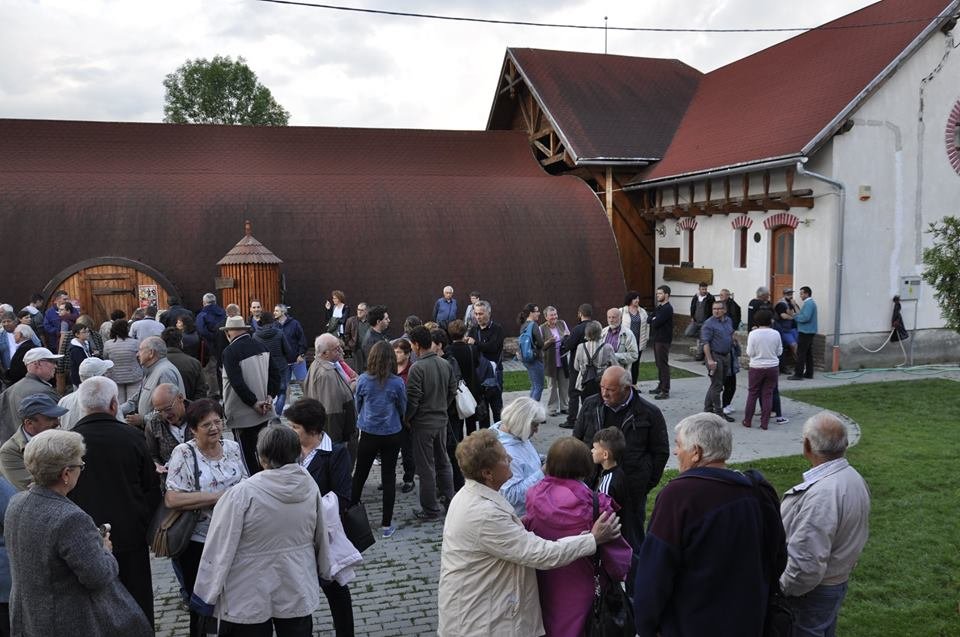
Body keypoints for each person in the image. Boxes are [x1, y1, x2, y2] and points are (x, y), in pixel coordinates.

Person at [437, 429, 622, 636]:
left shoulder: (471, 496)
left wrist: (531, 522)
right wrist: (592, 539)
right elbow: (540, 554)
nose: (509, 457)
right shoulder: (484, 514)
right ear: (487, 474)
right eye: (502, 457)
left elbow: (505, 534)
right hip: (481, 622)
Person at [633, 412, 787, 636]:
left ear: (696, 453)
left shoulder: (678, 497)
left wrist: (644, 626)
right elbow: (778, 558)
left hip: (692, 624)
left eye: (678, 445)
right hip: (748, 621)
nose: (676, 451)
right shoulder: (755, 491)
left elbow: (655, 574)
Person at [4, 429, 153, 636]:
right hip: (65, 621)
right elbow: (98, 576)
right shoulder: (70, 518)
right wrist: (105, 550)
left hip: (28, 616)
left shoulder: (16, 502)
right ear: (66, 474)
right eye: (80, 465)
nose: (82, 469)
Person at [192, 425, 329, 636]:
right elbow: (321, 535)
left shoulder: (240, 495)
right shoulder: (309, 486)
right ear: (297, 453)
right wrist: (323, 572)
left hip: (248, 592)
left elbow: (219, 549)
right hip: (296, 583)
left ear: (261, 457)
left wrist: (205, 596)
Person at [69, 376, 161, 627]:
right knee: (137, 599)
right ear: (113, 405)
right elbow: (151, 488)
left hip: (84, 537)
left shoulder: (70, 441)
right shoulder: (131, 437)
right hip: (130, 533)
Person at [573, 365, 669, 594]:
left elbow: (660, 452)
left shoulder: (648, 413)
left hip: (630, 494)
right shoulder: (591, 404)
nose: (604, 394)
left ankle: (638, 596)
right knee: (594, 543)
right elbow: (577, 441)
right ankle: (600, 592)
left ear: (627, 388)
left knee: (632, 544)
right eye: (602, 387)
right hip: (592, 491)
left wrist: (644, 484)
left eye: (611, 390)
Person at [524, 437, 632, 637]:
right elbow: (618, 557)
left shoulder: (533, 496)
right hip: (585, 584)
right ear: (585, 465)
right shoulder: (597, 504)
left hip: (545, 581)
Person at [781, 412, 871, 636]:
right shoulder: (851, 477)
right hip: (833, 581)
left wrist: (781, 588)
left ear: (807, 446)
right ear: (846, 444)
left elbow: (806, 564)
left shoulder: (822, 495)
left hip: (813, 591)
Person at [165, 399, 248, 637]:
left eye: (217, 422)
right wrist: (218, 498)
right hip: (199, 543)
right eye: (205, 424)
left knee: (236, 599)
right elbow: (172, 499)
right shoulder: (184, 453)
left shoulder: (231, 446)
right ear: (193, 429)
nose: (214, 428)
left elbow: (245, 482)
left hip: (235, 537)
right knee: (202, 606)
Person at [285, 399, 355, 635]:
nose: (291, 431)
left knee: (336, 591)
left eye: (295, 427)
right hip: (296, 537)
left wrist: (306, 509)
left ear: (312, 429)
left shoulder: (335, 453)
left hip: (325, 537)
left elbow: (343, 497)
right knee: (300, 596)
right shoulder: (290, 453)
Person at [351, 340, 407, 537]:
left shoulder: (364, 380)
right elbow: (403, 407)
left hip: (368, 432)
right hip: (391, 433)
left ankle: (349, 516)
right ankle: (386, 525)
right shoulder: (397, 382)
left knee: (360, 474)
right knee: (389, 477)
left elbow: (358, 404)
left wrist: (365, 417)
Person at [405, 326, 458, 521]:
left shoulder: (417, 368)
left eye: (411, 344)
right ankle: (450, 502)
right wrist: (443, 405)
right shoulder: (444, 364)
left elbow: (413, 400)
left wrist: (407, 418)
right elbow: (454, 390)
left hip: (423, 424)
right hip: (441, 421)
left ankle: (431, 510)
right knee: (443, 462)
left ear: (417, 344)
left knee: (426, 467)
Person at [221, 315, 278, 474]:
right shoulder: (261, 346)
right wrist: (269, 396)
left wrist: (253, 402)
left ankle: (254, 483)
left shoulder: (230, 351)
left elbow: (237, 382)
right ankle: (266, 478)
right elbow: (275, 375)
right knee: (262, 450)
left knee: (245, 454)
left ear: (229, 333)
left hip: (242, 415)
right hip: (264, 410)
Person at [303, 333, 358, 461]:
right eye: (336, 349)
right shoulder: (326, 373)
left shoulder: (322, 365)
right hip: (334, 434)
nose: (340, 351)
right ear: (325, 353)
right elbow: (332, 412)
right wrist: (337, 442)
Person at [0, 393, 68, 491]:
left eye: (57, 417)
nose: (57, 423)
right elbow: (32, 488)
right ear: (29, 423)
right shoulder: (9, 451)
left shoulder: (61, 436)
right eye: (50, 418)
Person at [492, 397, 546, 517]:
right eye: (534, 425)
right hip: (520, 517)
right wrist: (543, 472)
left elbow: (525, 459)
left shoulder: (517, 434)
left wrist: (543, 458)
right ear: (522, 423)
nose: (537, 430)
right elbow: (511, 495)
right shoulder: (505, 451)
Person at [120, 335, 185, 429]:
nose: (137, 354)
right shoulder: (150, 370)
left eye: (140, 350)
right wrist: (115, 411)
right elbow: (134, 400)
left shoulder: (165, 372)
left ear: (151, 353)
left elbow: (169, 408)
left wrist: (143, 419)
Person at [0, 347, 61, 445]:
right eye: (52, 361)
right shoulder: (43, 391)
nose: (55, 366)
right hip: (38, 447)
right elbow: (60, 421)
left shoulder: (11, 389)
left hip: (14, 446)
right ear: (37, 364)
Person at [144, 383, 194, 485]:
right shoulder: (154, 424)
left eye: (168, 409)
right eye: (159, 411)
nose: (165, 415)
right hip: (172, 483)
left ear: (180, 398)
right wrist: (156, 464)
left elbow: (217, 444)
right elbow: (151, 454)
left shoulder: (199, 415)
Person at [465, 300, 504, 424]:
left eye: (481, 314)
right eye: (476, 314)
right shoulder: (473, 330)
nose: (478, 317)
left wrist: (476, 343)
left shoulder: (497, 329)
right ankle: (484, 439)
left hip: (494, 373)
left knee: (497, 409)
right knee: (483, 410)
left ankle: (500, 437)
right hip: (479, 375)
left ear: (489, 313)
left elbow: (493, 347)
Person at [743, 309, 783, 430]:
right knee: (768, 394)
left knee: (753, 393)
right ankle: (764, 423)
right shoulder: (776, 333)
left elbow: (750, 352)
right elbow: (779, 351)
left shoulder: (753, 334)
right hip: (772, 367)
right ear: (770, 320)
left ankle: (748, 420)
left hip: (756, 367)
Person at [701, 300, 737, 422]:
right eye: (714, 309)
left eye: (719, 309)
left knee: (718, 384)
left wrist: (733, 342)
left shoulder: (728, 321)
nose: (716, 311)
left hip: (726, 355)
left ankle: (707, 409)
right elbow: (705, 343)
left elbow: (731, 333)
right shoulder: (708, 324)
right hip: (714, 356)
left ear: (724, 310)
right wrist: (710, 360)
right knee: (717, 385)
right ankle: (718, 413)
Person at [57, 357, 115, 430]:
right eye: (105, 373)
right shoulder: (105, 402)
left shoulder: (64, 401)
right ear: (99, 377)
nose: (108, 376)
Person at [559, 304, 591, 429]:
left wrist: (566, 338)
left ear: (580, 314)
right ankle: (588, 418)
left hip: (577, 365)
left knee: (573, 392)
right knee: (588, 393)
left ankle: (572, 420)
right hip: (591, 366)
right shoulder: (596, 326)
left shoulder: (577, 329)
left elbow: (568, 346)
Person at [446, 320, 480, 436]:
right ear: (464, 333)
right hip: (470, 388)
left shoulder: (448, 351)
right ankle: (473, 449)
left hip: (455, 390)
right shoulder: (472, 349)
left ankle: (459, 450)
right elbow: (476, 365)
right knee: (471, 424)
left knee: (457, 426)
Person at [273, 304, 307, 415]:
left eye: (276, 310)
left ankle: (308, 402)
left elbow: (302, 339)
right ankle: (286, 406)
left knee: (303, 382)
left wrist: (301, 354)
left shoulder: (295, 324)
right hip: (283, 361)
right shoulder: (274, 326)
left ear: (283, 312)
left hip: (297, 359)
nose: (274, 312)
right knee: (284, 384)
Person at [393, 338, 417, 493]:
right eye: (394, 352)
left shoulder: (412, 370)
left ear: (408, 354)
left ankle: (409, 479)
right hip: (391, 417)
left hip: (406, 418)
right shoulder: (390, 369)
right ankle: (388, 478)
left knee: (408, 451)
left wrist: (409, 417)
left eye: (399, 352)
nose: (396, 355)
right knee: (390, 451)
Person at [591, 426, 630, 515]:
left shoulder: (606, 485)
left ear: (605, 455)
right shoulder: (619, 473)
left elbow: (602, 514)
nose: (592, 451)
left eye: (595, 448)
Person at [538, 306, 570, 417]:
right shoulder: (541, 328)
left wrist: (566, 338)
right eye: (551, 315)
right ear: (546, 317)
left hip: (562, 358)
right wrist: (549, 341)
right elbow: (540, 346)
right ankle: (552, 408)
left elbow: (568, 336)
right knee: (552, 386)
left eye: (555, 314)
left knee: (564, 384)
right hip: (550, 360)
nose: (554, 317)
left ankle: (565, 407)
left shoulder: (562, 323)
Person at [573, 320, 615, 400]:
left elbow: (576, 367)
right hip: (602, 384)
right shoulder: (607, 347)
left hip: (584, 383)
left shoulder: (580, 347)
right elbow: (614, 367)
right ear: (600, 332)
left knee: (586, 406)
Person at [161, 327, 208, 401]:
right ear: (181, 342)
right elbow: (201, 392)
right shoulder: (194, 363)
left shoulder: (157, 362)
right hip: (190, 407)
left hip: (163, 409)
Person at [103, 318, 143, 403]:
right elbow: (141, 359)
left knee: (119, 403)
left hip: (115, 376)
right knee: (132, 402)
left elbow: (106, 360)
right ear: (127, 329)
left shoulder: (108, 344)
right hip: (134, 375)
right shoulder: (135, 343)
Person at [647, 285, 674, 400]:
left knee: (663, 364)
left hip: (663, 340)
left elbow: (656, 322)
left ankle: (665, 390)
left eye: (660, 293)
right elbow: (649, 319)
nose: (658, 295)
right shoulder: (659, 308)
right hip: (657, 338)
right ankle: (660, 385)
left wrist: (654, 319)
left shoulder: (667, 308)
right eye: (657, 293)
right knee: (658, 363)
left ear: (666, 295)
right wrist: (653, 319)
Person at [517, 303, 545, 401]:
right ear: (530, 313)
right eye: (537, 311)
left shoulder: (524, 325)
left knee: (534, 386)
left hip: (526, 357)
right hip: (535, 358)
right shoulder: (533, 325)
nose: (539, 313)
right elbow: (541, 343)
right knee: (539, 386)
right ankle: (533, 412)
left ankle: (529, 410)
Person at [621, 291, 650, 385]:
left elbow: (647, 326)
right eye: (635, 298)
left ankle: (634, 384)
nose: (637, 300)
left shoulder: (642, 312)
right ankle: (624, 384)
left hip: (638, 342)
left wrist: (646, 338)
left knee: (635, 364)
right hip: (625, 343)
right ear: (630, 299)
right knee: (625, 364)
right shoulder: (622, 311)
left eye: (638, 298)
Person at [790, 286, 819, 380]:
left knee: (801, 353)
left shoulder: (809, 304)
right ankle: (809, 373)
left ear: (807, 294)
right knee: (807, 353)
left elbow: (805, 318)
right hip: (808, 331)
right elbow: (802, 314)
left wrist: (794, 316)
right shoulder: (808, 303)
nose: (800, 295)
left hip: (806, 331)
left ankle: (798, 374)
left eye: (802, 293)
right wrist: (795, 307)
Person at [602, 306, 639, 371]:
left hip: (620, 373)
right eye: (609, 317)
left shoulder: (628, 334)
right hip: (604, 372)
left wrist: (614, 356)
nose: (611, 320)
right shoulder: (603, 332)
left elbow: (634, 355)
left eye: (614, 317)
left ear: (620, 318)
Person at [685, 282, 715, 360]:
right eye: (703, 289)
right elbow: (692, 307)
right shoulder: (695, 297)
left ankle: (699, 355)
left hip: (705, 322)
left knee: (702, 339)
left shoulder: (710, 298)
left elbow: (713, 309)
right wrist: (692, 316)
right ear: (699, 289)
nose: (704, 290)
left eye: (705, 289)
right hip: (695, 321)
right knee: (688, 333)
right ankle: (703, 337)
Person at [774, 288, 799, 372]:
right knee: (794, 345)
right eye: (788, 294)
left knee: (797, 346)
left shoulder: (792, 303)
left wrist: (794, 307)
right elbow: (783, 316)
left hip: (793, 328)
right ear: (784, 294)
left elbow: (798, 313)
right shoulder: (781, 304)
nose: (790, 295)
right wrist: (793, 316)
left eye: (791, 293)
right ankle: (800, 365)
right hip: (784, 330)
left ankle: (798, 365)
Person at [343, 302, 369, 378]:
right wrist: (351, 344)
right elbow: (346, 335)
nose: (359, 311)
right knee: (358, 371)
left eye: (362, 310)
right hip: (357, 349)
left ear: (366, 311)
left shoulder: (370, 322)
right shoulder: (351, 321)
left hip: (369, 350)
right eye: (358, 309)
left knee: (369, 369)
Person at [66, 323, 92, 388]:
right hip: (78, 377)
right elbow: (81, 362)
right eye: (84, 332)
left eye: (88, 331)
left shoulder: (87, 343)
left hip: (88, 375)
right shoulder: (75, 348)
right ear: (77, 334)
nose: (87, 333)